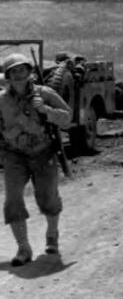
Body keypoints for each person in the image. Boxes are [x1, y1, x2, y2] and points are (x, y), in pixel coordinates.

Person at [0, 53, 71, 266]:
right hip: (14, 155)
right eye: (14, 71)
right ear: (8, 76)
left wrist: (45, 110)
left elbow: (67, 118)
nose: (19, 74)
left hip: (43, 152)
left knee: (48, 197)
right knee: (12, 199)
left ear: (30, 72)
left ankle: (52, 235)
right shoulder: (1, 100)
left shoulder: (45, 93)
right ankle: (23, 247)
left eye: (22, 70)